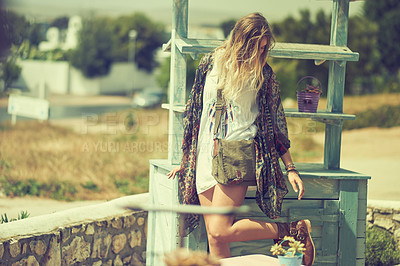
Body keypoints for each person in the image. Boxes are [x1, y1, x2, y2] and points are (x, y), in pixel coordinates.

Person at [167, 12, 315, 266]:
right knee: (216, 241)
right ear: (242, 41)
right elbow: (194, 111)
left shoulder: (263, 75)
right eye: (257, 47)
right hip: (204, 155)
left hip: (238, 154)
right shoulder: (210, 63)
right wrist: (187, 158)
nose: (261, 54)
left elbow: (275, 123)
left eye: (265, 48)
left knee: (219, 230)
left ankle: (290, 229)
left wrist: (290, 167)